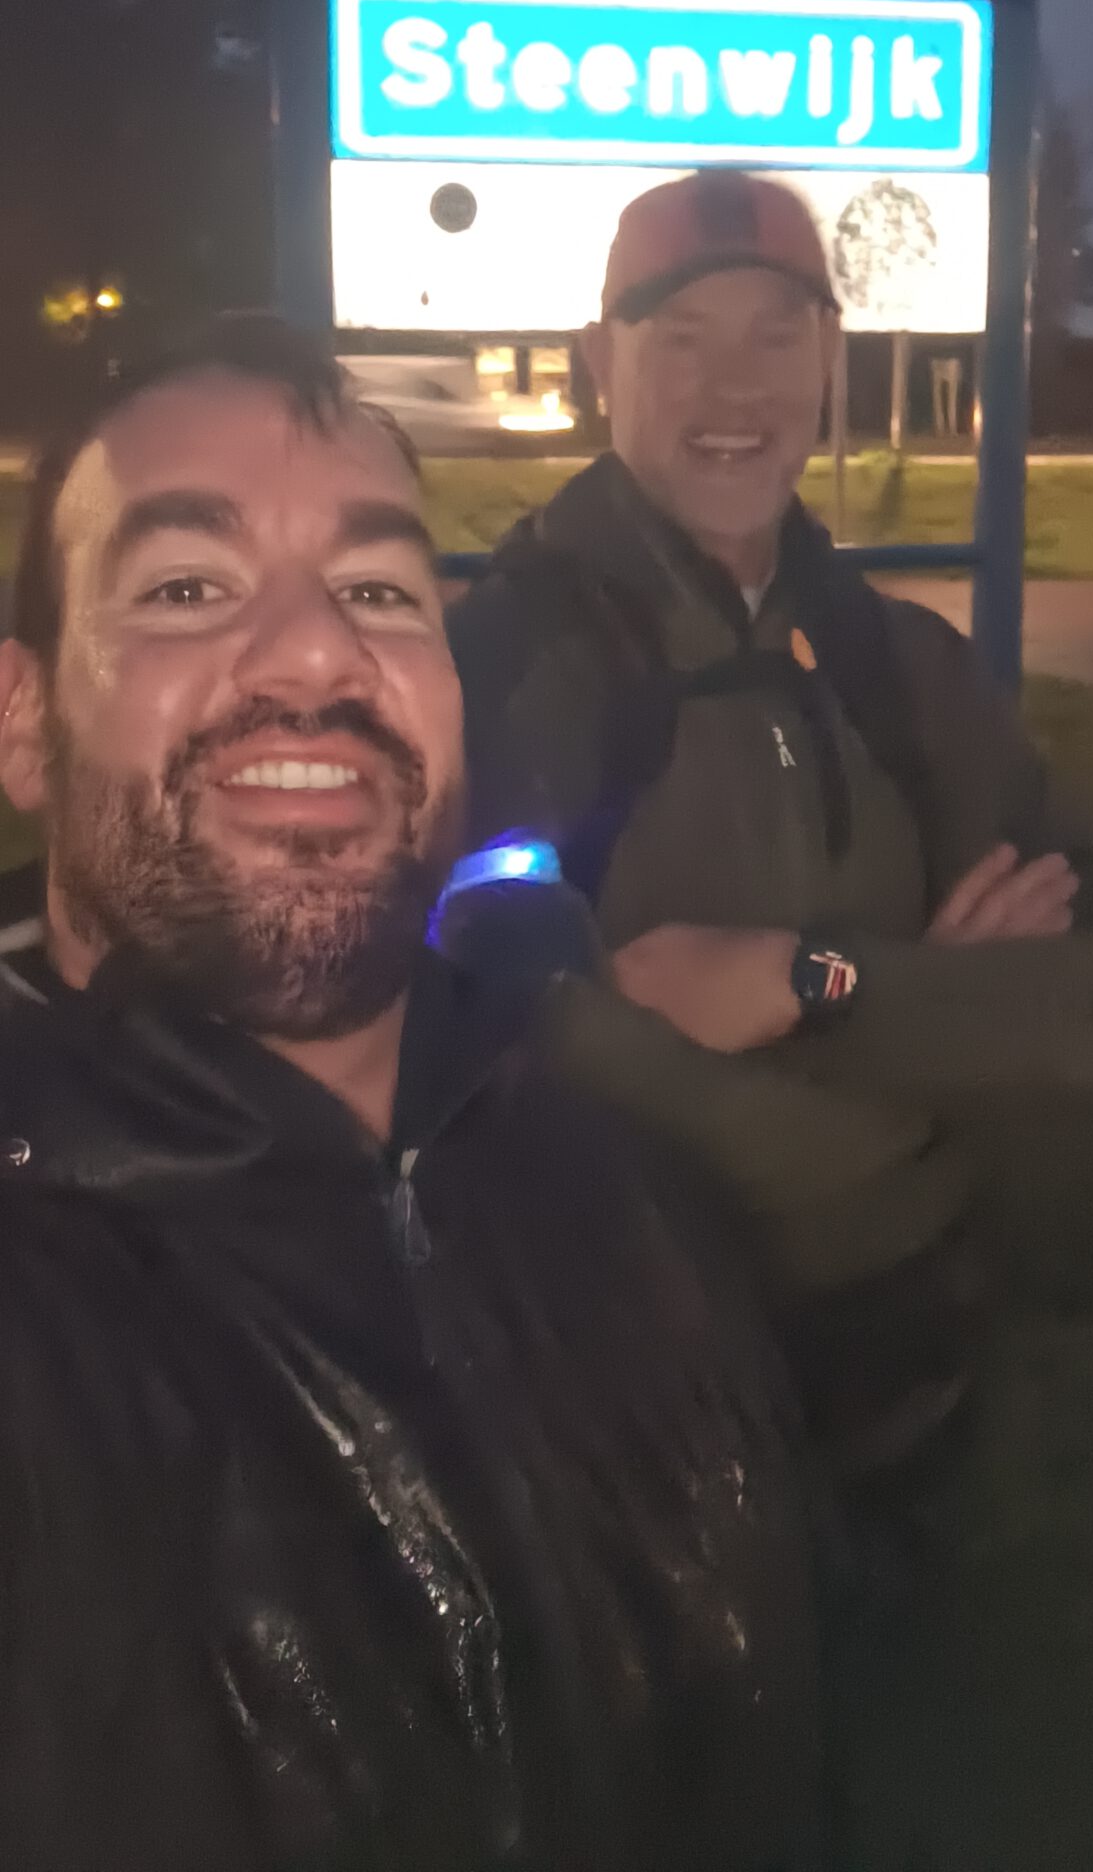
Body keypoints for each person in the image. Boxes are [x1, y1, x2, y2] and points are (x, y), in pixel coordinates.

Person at [0, 315, 824, 1872]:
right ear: (24, 723)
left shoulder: (619, 1192)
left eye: (380, 591)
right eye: (188, 588)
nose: (317, 655)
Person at [448, 168, 1093, 1473]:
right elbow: (512, 1038)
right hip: (627, 1402)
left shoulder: (906, 667)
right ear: (600, 362)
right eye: (683, 338)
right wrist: (950, 1039)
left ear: (829, 358)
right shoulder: (497, 672)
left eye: (777, 335)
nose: (736, 389)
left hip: (931, 1370)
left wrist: (813, 983)